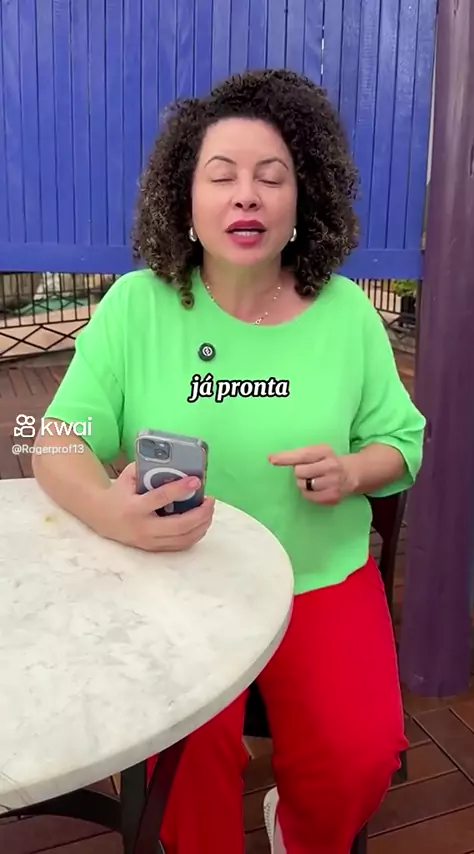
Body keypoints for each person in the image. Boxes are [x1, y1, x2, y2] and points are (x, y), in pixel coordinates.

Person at [33, 68, 426, 854]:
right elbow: (56, 440)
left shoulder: (347, 315)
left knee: (358, 760)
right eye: (221, 176)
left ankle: (297, 827)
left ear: (303, 199)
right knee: (179, 767)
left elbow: (401, 441)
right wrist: (112, 511)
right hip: (175, 578)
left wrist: (354, 471)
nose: (246, 196)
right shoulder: (136, 307)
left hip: (319, 578)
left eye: (271, 178)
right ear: (184, 199)